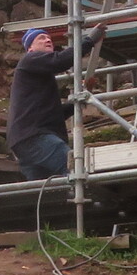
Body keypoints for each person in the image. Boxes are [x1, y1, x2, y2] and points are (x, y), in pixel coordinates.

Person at [7, 27, 90, 180]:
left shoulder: (38, 75)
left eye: (49, 38)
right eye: (41, 38)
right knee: (75, 169)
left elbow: (54, 113)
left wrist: (77, 102)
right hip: (35, 136)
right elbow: (60, 60)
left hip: (25, 139)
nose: (47, 40)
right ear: (30, 48)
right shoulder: (29, 60)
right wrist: (89, 41)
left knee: (45, 188)